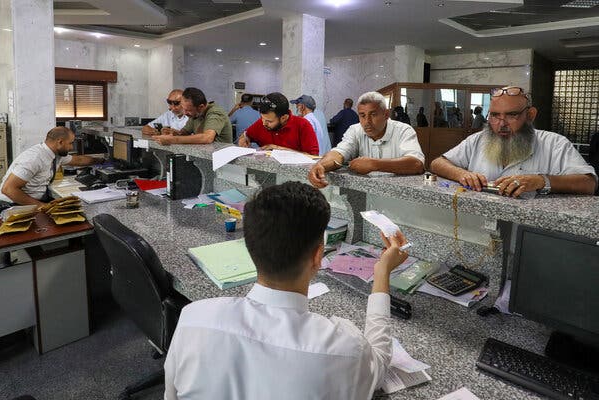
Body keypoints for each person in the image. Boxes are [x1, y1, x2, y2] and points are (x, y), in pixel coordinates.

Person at [164, 181, 409, 400]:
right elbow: (379, 362)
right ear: (318, 255)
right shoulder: (344, 347)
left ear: (249, 247)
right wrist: (382, 272)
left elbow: (171, 394)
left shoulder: (193, 318)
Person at [430, 86, 597, 196]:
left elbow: (588, 183)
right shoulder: (478, 140)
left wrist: (541, 181)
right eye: (495, 115)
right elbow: (437, 163)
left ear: (530, 115)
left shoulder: (554, 143)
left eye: (511, 115)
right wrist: (462, 174)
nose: (501, 124)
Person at [308, 91, 425, 188]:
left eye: (373, 114)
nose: (367, 121)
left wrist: (374, 164)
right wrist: (321, 165)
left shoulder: (403, 130)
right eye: (362, 115)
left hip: (398, 196)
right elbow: (339, 153)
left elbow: (416, 164)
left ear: (386, 114)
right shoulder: (355, 130)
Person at [0, 127, 104, 206]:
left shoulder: (56, 155)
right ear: (60, 142)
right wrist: (43, 207)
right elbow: (8, 189)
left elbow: (79, 160)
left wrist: (101, 160)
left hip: (30, 202)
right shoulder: (34, 158)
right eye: (70, 143)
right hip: (13, 205)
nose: (71, 147)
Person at [238, 92, 319, 155]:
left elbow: (313, 157)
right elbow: (246, 134)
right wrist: (244, 138)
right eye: (262, 118)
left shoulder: (303, 125)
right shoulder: (262, 122)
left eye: (269, 121)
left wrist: (279, 150)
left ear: (284, 118)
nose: (264, 123)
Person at [152, 87, 232, 145]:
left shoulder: (215, 113)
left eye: (188, 110)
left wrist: (172, 140)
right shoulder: (194, 114)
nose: (185, 113)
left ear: (201, 107)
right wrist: (172, 133)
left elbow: (207, 138)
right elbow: (184, 133)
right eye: (184, 109)